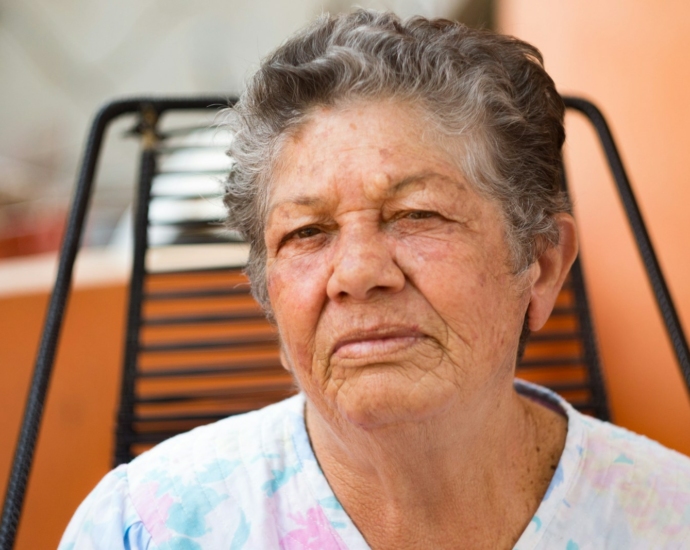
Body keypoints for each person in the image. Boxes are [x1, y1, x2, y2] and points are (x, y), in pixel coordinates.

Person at [60, 10, 690, 549]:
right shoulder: (145, 529)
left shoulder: (669, 521)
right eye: (306, 232)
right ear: (272, 301)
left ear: (542, 265)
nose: (357, 275)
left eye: (417, 215)